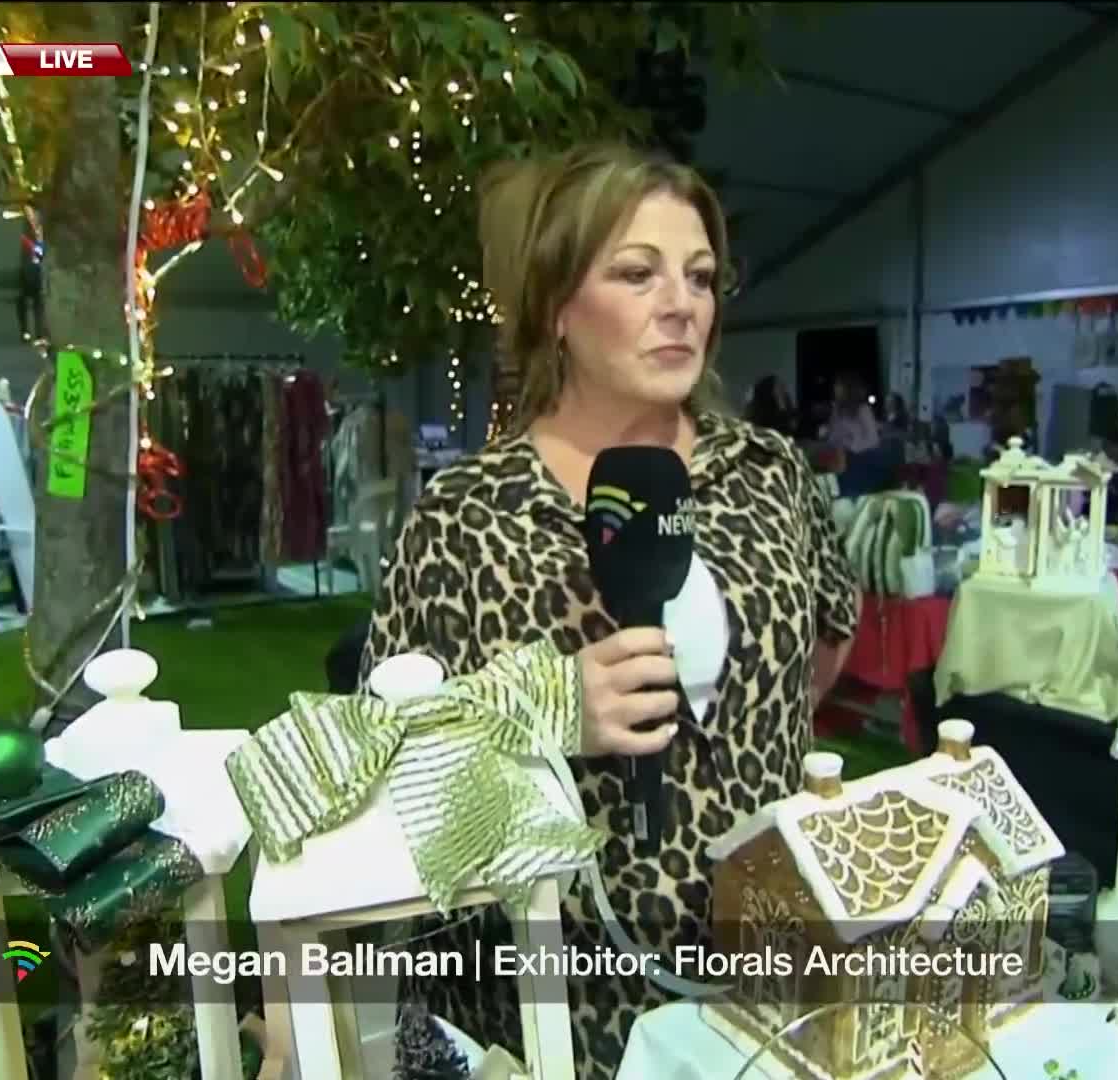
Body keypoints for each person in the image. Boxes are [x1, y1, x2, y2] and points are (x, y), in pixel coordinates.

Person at [360, 143, 860, 1079]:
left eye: (701, 276)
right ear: (556, 306)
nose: (683, 303)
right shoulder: (467, 513)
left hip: (763, 979)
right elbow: (383, 761)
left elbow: (827, 638)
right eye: (638, 273)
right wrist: (548, 713)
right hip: (555, 999)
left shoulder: (770, 474)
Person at [825, 373, 880, 454]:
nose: (835, 388)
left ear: (848, 388)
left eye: (838, 385)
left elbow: (873, 440)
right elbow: (833, 437)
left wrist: (851, 447)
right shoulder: (837, 409)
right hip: (838, 454)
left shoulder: (863, 409)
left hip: (858, 456)